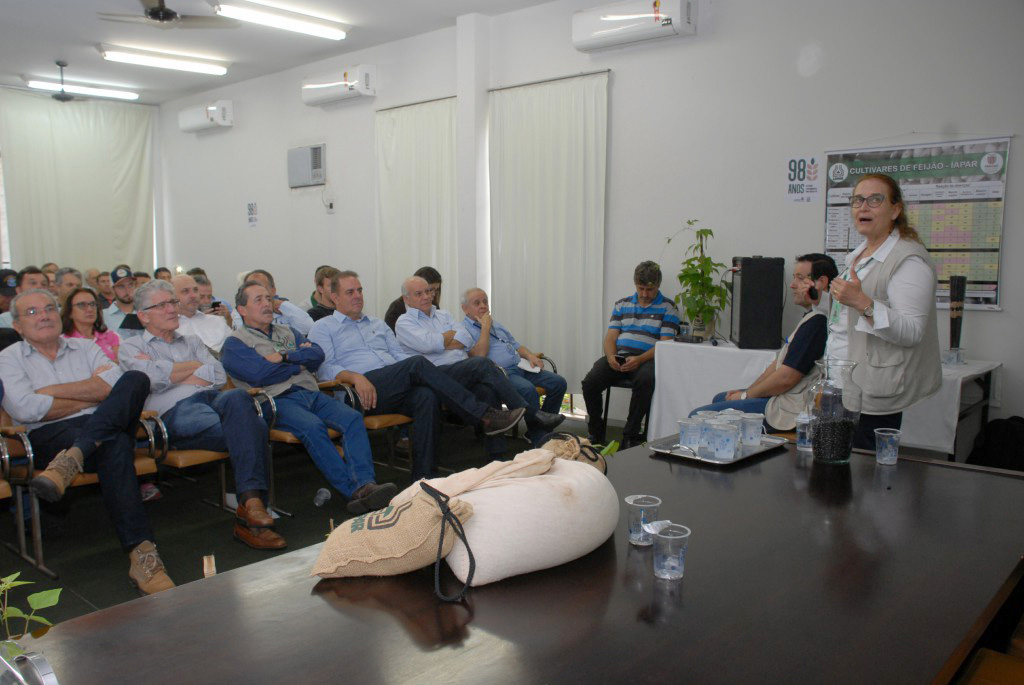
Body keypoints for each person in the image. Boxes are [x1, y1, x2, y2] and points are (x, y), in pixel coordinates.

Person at [0, 289, 173, 595]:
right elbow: (25, 408)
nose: (43, 316)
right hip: (49, 436)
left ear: (59, 313)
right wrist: (91, 394)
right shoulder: (7, 359)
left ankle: (74, 457)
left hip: (86, 434)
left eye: (49, 308)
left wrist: (49, 392)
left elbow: (115, 385)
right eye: (31, 312)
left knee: (136, 380)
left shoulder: (85, 347)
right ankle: (143, 555)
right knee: (115, 442)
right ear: (16, 325)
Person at [307, 271, 525, 480]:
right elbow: (325, 369)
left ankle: (424, 476)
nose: (358, 296)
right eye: (350, 292)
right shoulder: (322, 327)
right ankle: (484, 415)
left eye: (360, 290)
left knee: (425, 396)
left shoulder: (377, 324)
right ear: (334, 297)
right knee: (419, 364)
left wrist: (412, 373)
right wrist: (356, 377)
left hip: (393, 383)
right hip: (358, 391)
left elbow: (399, 356)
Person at [119, 280, 287, 550]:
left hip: (213, 400)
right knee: (252, 427)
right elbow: (151, 380)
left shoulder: (193, 340)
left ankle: (252, 509)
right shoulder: (130, 346)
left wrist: (173, 372)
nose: (172, 309)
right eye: (162, 305)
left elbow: (218, 376)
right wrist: (195, 369)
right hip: (173, 414)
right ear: (143, 315)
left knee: (237, 396)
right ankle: (254, 509)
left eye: (172, 303)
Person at [222, 281, 396, 513]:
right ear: (242, 310)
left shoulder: (286, 331)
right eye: (258, 300)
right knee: (313, 427)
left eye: (268, 298)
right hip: (276, 400)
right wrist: (297, 363)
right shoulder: (235, 343)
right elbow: (258, 374)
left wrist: (283, 357)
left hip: (310, 393)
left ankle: (366, 483)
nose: (267, 304)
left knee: (353, 418)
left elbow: (316, 355)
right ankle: (354, 491)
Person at [827, 173, 942, 450]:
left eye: (875, 199)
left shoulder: (907, 259)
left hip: (875, 388)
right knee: (837, 472)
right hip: (841, 380)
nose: (863, 206)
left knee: (864, 476)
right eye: (857, 200)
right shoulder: (858, 255)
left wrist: (861, 302)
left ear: (896, 210)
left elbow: (912, 331)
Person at [394, 277, 563, 443]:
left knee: (487, 392)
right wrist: (448, 338)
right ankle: (533, 414)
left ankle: (498, 456)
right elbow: (429, 345)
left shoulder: (443, 314)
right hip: (438, 374)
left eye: (428, 291)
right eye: (418, 293)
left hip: (465, 370)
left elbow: (464, 339)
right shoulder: (404, 322)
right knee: (483, 364)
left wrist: (442, 341)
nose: (426, 296)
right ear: (406, 299)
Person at [690, 254, 838, 431]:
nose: (792, 285)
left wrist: (745, 396)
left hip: (790, 409)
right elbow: (777, 366)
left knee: (696, 419)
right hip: (784, 396)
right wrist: (748, 394)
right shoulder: (811, 318)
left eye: (800, 278)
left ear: (820, 282)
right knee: (721, 398)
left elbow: (785, 378)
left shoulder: (818, 323)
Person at [581, 261, 680, 448]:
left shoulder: (668, 307)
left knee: (646, 380)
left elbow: (666, 344)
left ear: (658, 286)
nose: (644, 294)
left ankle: (630, 435)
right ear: (635, 284)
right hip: (620, 356)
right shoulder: (622, 304)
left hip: (648, 359)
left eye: (649, 290)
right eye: (640, 288)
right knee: (590, 382)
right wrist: (611, 356)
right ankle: (595, 431)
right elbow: (610, 337)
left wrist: (640, 359)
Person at [459, 287, 568, 446]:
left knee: (559, 383)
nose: (483, 305)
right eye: (477, 303)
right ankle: (538, 435)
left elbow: (516, 345)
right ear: (465, 309)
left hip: (521, 367)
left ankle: (538, 430)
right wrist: (485, 328)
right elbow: (478, 356)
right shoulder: (463, 330)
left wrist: (530, 356)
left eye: (485, 301)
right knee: (528, 390)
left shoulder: (497, 325)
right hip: (501, 374)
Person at [241, 269, 313, 335]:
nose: (258, 292)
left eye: (262, 287)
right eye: (253, 289)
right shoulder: (241, 311)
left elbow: (308, 328)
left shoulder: (285, 311)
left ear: (273, 291)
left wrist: (283, 305)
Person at [173, 274, 232, 353]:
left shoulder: (217, 321)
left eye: (195, 290)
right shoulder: (168, 328)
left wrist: (228, 318)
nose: (193, 295)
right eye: (185, 291)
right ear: (172, 297)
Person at [62, 287, 120, 362]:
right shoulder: (63, 342)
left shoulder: (111, 336)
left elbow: (122, 363)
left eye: (93, 304)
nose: (90, 309)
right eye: (82, 305)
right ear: (69, 312)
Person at [384, 266, 442, 332]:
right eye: (430, 290)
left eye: (437, 290)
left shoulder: (433, 305)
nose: (434, 294)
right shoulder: (395, 309)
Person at [103, 265, 143, 339]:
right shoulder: (103, 316)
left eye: (130, 285)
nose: (127, 290)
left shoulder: (145, 313)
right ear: (113, 290)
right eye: (121, 287)